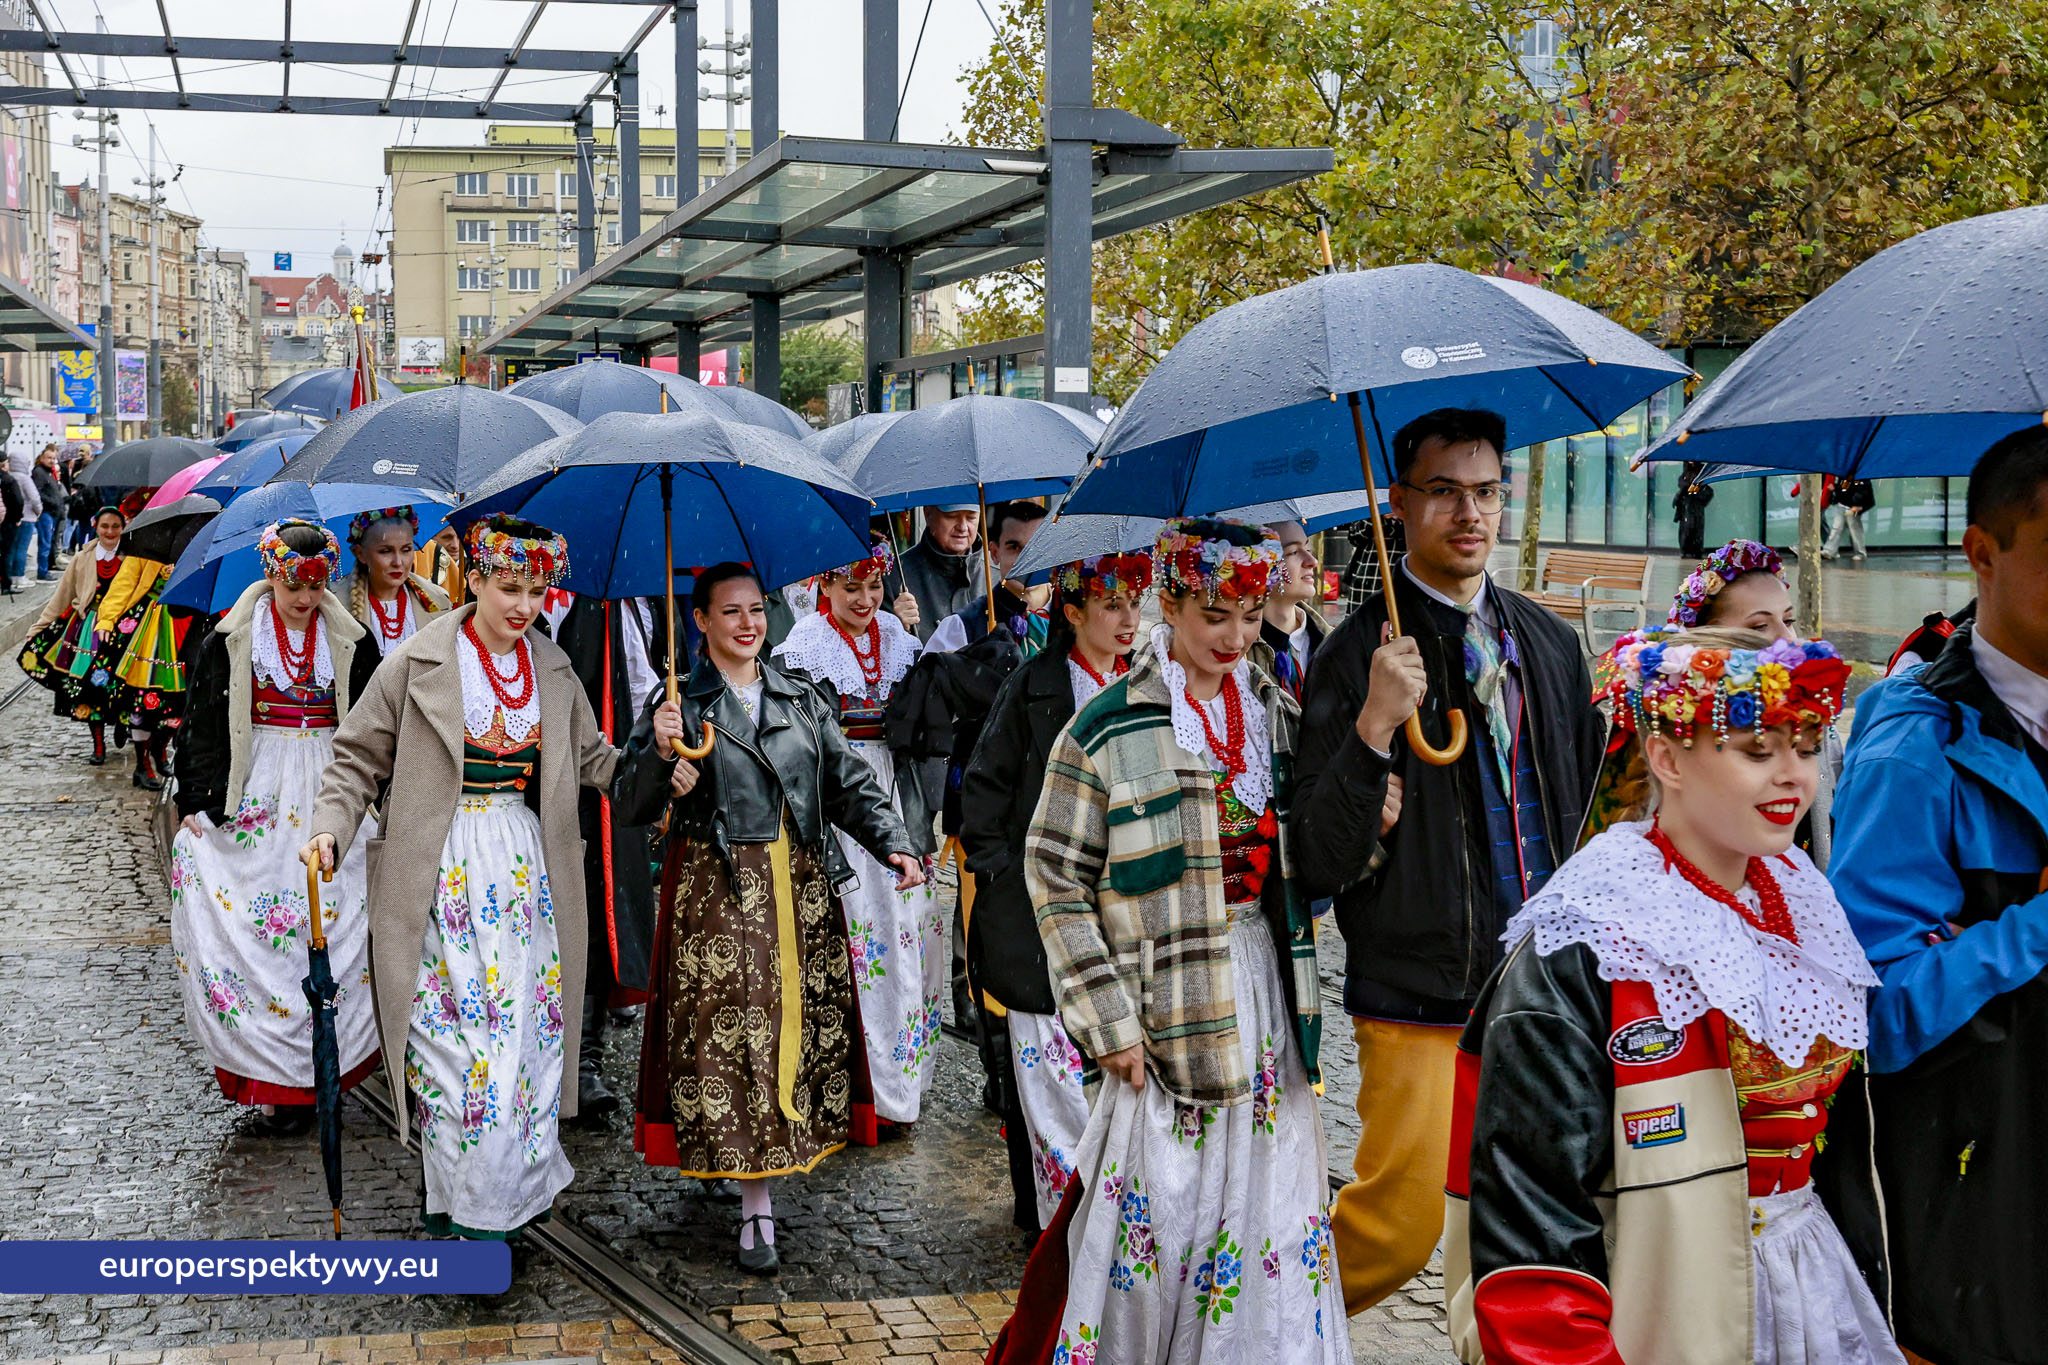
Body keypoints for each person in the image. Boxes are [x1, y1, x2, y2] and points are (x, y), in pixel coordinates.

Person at [1444, 626, 1897, 1365]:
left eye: (1807, 747)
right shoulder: (1587, 942)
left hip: (1811, 1281)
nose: (1792, 775)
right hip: (1663, 1295)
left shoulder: (1801, 900)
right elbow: (1532, 1222)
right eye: (1757, 749)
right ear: (1664, 756)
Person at [990, 518, 1347, 1365]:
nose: (1235, 636)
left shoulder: (1277, 715)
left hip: (1266, 996)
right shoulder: (1110, 728)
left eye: (1251, 614)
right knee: (1156, 1218)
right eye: (1214, 614)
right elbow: (1054, 874)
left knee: (1273, 1211)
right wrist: (1107, 1020)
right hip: (1162, 1005)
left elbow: (1317, 860)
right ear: (1171, 603)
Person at [1291, 408, 1605, 1316]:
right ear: (1401, 502)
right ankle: (1265, 1330)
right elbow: (1318, 855)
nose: (1470, 513)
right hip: (1423, 987)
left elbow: (1586, 807)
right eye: (1444, 494)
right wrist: (1372, 728)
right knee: (1402, 1223)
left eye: (1486, 492)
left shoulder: (1548, 643)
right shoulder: (1357, 657)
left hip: (1549, 992)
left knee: (1541, 1232)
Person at [302, 514, 682, 1240]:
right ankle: (467, 1207)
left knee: (523, 1051)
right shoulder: (417, 661)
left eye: (536, 590)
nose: (523, 605)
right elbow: (355, 758)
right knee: (454, 1057)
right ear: (471, 578)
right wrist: (329, 827)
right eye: (508, 587)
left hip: (526, 874)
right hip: (440, 873)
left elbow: (603, 769)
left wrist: (657, 750)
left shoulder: (554, 668)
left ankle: (493, 1206)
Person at [619, 562, 924, 1273]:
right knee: (734, 1040)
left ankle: (757, 1173)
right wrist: (662, 759)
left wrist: (895, 843)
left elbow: (847, 778)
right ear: (699, 620)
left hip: (797, 885)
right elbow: (630, 802)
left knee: (789, 1031)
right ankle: (754, 1203)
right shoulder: (677, 705)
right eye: (730, 612)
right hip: (717, 891)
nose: (749, 624)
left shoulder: (799, 694)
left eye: (756, 609)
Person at [1825, 426, 2048, 1364]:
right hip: (1982, 1215)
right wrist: (2031, 927)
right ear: (1983, 553)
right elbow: (1868, 1010)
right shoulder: (1915, 750)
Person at [170, 520, 383, 1136]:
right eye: (294, 585)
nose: (305, 600)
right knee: (266, 932)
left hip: (330, 783)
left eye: (315, 588)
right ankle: (273, 1082)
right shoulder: (231, 639)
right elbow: (203, 720)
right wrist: (197, 800)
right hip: (256, 781)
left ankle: (328, 1071)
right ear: (271, 574)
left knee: (337, 922)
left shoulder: (350, 640)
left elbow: (370, 726)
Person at [959, 549, 1149, 1235]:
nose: (1130, 619)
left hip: (1126, 913)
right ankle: (1066, 1224)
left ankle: (1113, 1214)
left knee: (1117, 1067)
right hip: (1039, 917)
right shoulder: (1033, 685)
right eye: (1113, 606)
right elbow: (982, 793)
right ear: (1073, 612)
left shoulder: (1151, 685)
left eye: (1136, 603)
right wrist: (1007, 876)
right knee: (1048, 1076)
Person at [773, 537, 941, 1128]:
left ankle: (897, 1085)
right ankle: (844, 1090)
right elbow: (799, 743)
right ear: (824, 586)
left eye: (874, 587)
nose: (867, 599)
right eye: (852, 588)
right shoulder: (803, 649)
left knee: (901, 938)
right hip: (840, 804)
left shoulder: (900, 640)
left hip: (897, 792)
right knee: (849, 937)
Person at [554, 590, 669, 1119]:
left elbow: (654, 686)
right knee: (561, 915)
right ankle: (555, 1057)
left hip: (617, 772)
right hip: (553, 776)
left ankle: (585, 1059)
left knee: (606, 914)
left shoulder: (646, 604)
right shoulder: (561, 604)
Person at [1660, 538, 1842, 867]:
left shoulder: (1808, 707)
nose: (1787, 639)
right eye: (1759, 626)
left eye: (1788, 620)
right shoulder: (1678, 721)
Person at [18, 506, 132, 765]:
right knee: (90, 687)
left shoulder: (132, 557)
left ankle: (121, 725)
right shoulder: (82, 558)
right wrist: (38, 628)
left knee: (121, 684)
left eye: (116, 526)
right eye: (105, 526)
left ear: (123, 528)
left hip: (122, 631)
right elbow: (62, 596)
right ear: (96, 526)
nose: (110, 532)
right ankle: (98, 744)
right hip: (88, 631)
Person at [924, 501, 1050, 656]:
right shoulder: (961, 627)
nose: (1026, 559)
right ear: (995, 553)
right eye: (1014, 548)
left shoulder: (1078, 614)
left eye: (1036, 547)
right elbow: (927, 677)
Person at [344, 506, 450, 661]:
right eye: (385, 551)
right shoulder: (335, 604)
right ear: (360, 553)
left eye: (406, 550)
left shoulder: (438, 600)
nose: (398, 562)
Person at [884, 504, 984, 642]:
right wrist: (896, 626)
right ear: (928, 514)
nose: (963, 527)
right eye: (952, 516)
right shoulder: (895, 575)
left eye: (971, 517)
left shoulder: (997, 571)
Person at [1253, 519, 1327, 698]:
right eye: (1293, 552)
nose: (1312, 561)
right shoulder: (1239, 652)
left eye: (1308, 550)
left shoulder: (1334, 641)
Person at [33, 445, 67, 580]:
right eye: (49, 458)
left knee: (49, 542)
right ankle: (42, 571)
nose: (52, 460)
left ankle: (46, 568)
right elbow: (38, 493)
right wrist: (53, 502)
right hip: (46, 512)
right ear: (42, 458)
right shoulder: (39, 472)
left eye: (54, 458)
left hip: (53, 513)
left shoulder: (49, 472)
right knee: (45, 543)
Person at [1822, 476, 1872, 560]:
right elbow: (1844, 489)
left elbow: (1862, 490)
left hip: (1852, 506)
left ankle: (1860, 553)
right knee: (1837, 528)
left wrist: (1857, 504)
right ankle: (1829, 550)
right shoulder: (1846, 476)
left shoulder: (1858, 476)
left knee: (1854, 529)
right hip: (1844, 505)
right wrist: (1836, 488)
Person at [1673, 460, 1714, 560]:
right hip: (1687, 504)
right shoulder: (1686, 472)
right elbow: (1683, 483)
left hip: (1695, 505)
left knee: (1694, 527)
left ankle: (1694, 550)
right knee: (1687, 528)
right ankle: (1686, 550)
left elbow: (1706, 490)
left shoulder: (1700, 471)